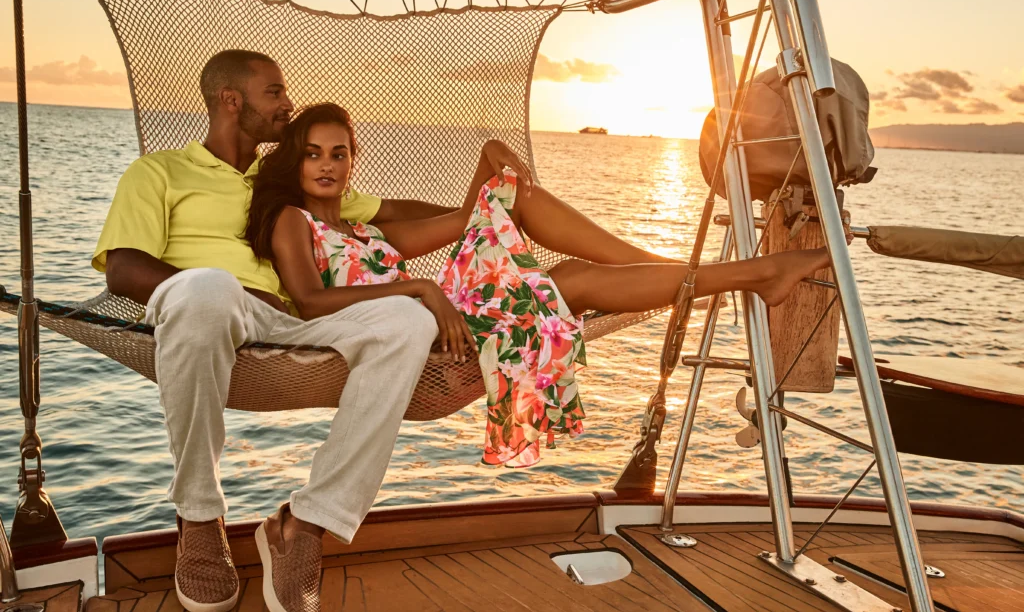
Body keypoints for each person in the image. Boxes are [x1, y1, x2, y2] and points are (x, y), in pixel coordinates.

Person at [245, 103, 833, 473]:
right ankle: (718, 273)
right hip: (421, 327)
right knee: (571, 279)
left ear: (353, 161)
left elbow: (463, 219)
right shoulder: (295, 222)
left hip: (449, 300)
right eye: (313, 154)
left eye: (339, 153)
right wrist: (420, 289)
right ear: (293, 162)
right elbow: (310, 304)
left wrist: (495, 168)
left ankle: (708, 274)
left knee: (520, 202)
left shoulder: (365, 227)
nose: (327, 164)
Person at [93, 51, 447, 612]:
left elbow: (393, 214)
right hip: (205, 307)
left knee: (409, 318)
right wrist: (222, 291)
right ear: (232, 101)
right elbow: (125, 269)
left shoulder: (284, 175)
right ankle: (200, 517)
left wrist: (488, 209)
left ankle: (305, 525)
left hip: (297, 317)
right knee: (205, 289)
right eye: (275, 93)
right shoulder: (157, 172)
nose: (288, 104)